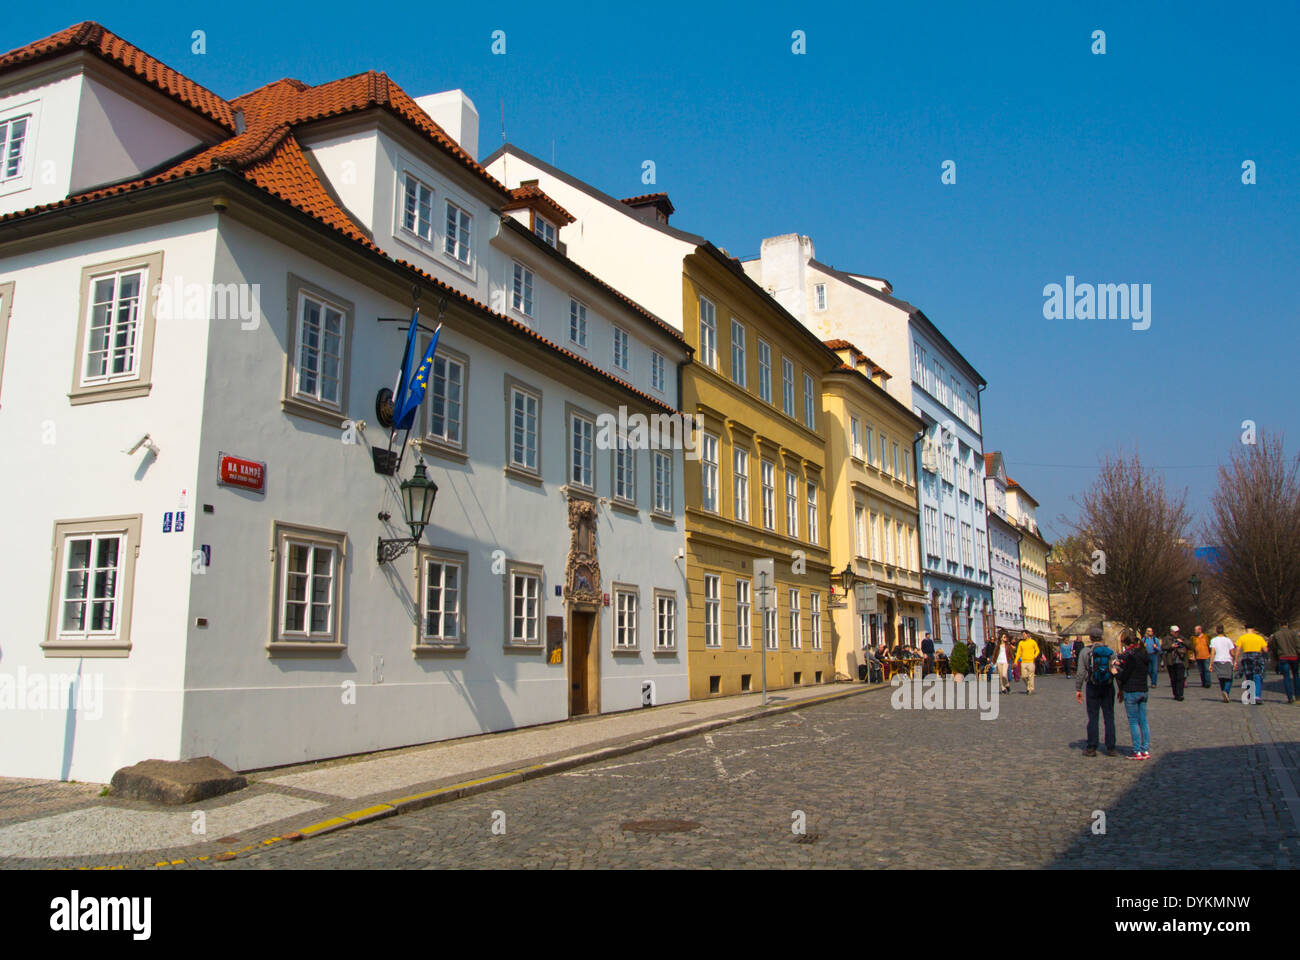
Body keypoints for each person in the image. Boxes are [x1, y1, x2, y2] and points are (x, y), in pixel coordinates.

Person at [1075, 626, 1117, 756]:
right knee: (1109, 717)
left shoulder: (1085, 652)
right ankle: (1111, 747)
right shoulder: (1111, 652)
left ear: (1090, 638)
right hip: (1108, 686)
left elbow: (1081, 672)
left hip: (1092, 685)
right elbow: (1116, 670)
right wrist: (1120, 688)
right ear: (1101, 637)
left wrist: (1078, 689)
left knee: (1093, 717)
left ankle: (1092, 747)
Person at [1114, 632, 1151, 759]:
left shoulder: (1131, 656)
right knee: (1144, 721)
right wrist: (1123, 665)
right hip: (1143, 690)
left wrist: (1115, 672)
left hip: (1131, 690)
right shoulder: (1144, 654)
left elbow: (1125, 675)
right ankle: (1145, 749)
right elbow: (1138, 668)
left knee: (1134, 722)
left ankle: (1137, 750)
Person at [1237, 625, 1269, 704]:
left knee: (1249, 676)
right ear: (1253, 629)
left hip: (1246, 657)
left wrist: (1235, 660)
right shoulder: (1259, 638)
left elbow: (1238, 649)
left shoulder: (1242, 638)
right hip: (1257, 657)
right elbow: (1265, 649)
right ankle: (1257, 696)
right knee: (1257, 676)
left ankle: (1251, 695)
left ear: (1246, 629)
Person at [1270, 620, 1300, 704]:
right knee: (1296, 675)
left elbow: (1274, 648)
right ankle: (1298, 695)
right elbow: (1298, 646)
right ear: (1287, 624)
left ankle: (1290, 697)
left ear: (1280, 625)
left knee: (1286, 677)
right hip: (1294, 657)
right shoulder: (1293, 633)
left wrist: (1276, 659)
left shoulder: (1276, 635)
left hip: (1283, 657)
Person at [1161, 626, 1190, 701]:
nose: (1177, 633)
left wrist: (1182, 642)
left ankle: (1180, 694)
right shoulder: (1166, 638)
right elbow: (1163, 647)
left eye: (1178, 632)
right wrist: (1171, 646)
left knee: (1180, 678)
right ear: (1171, 632)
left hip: (1181, 660)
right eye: (1175, 632)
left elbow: (1190, 645)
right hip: (1171, 661)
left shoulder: (1182, 638)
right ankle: (1176, 694)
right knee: (1173, 679)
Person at [1209, 625, 1236, 701]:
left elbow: (1213, 652)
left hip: (1217, 660)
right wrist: (1235, 659)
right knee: (1229, 678)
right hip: (1227, 660)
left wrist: (1210, 664)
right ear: (1223, 630)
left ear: (1216, 631)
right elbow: (1232, 652)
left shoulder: (1213, 640)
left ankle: (1223, 691)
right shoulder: (1228, 640)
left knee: (1221, 678)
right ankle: (1226, 691)